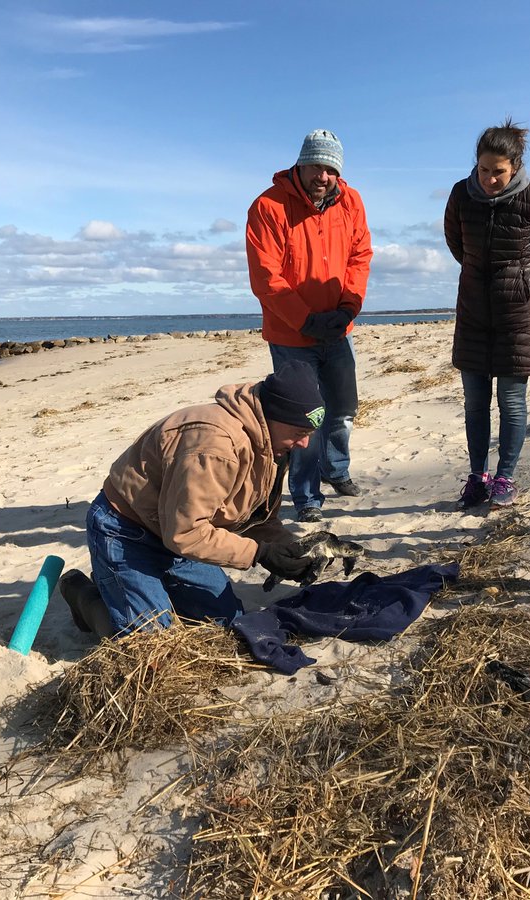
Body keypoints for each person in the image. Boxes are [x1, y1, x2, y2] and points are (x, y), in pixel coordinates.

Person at [58, 362, 326, 638]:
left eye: (308, 434)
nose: (304, 443)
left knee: (225, 623)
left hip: (177, 534)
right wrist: (259, 554)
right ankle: (82, 593)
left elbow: (257, 516)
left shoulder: (273, 446)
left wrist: (285, 549)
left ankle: (126, 587)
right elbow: (185, 533)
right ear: (274, 416)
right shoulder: (215, 446)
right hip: (126, 530)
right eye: (299, 433)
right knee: (149, 644)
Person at [246, 129, 373, 524]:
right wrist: (305, 320)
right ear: (300, 164)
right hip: (291, 335)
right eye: (317, 165)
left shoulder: (350, 201)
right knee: (305, 418)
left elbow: (360, 254)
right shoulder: (268, 207)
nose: (323, 175)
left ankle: (336, 469)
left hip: (338, 329)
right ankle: (305, 496)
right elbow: (266, 277)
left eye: (331, 168)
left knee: (342, 409)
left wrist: (349, 307)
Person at [444, 119, 530, 510]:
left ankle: (505, 477)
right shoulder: (460, 195)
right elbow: (457, 245)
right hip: (473, 311)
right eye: (484, 170)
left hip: (518, 316)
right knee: (475, 403)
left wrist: (520, 286)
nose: (490, 179)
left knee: (511, 401)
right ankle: (477, 477)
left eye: (499, 172)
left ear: (516, 165)